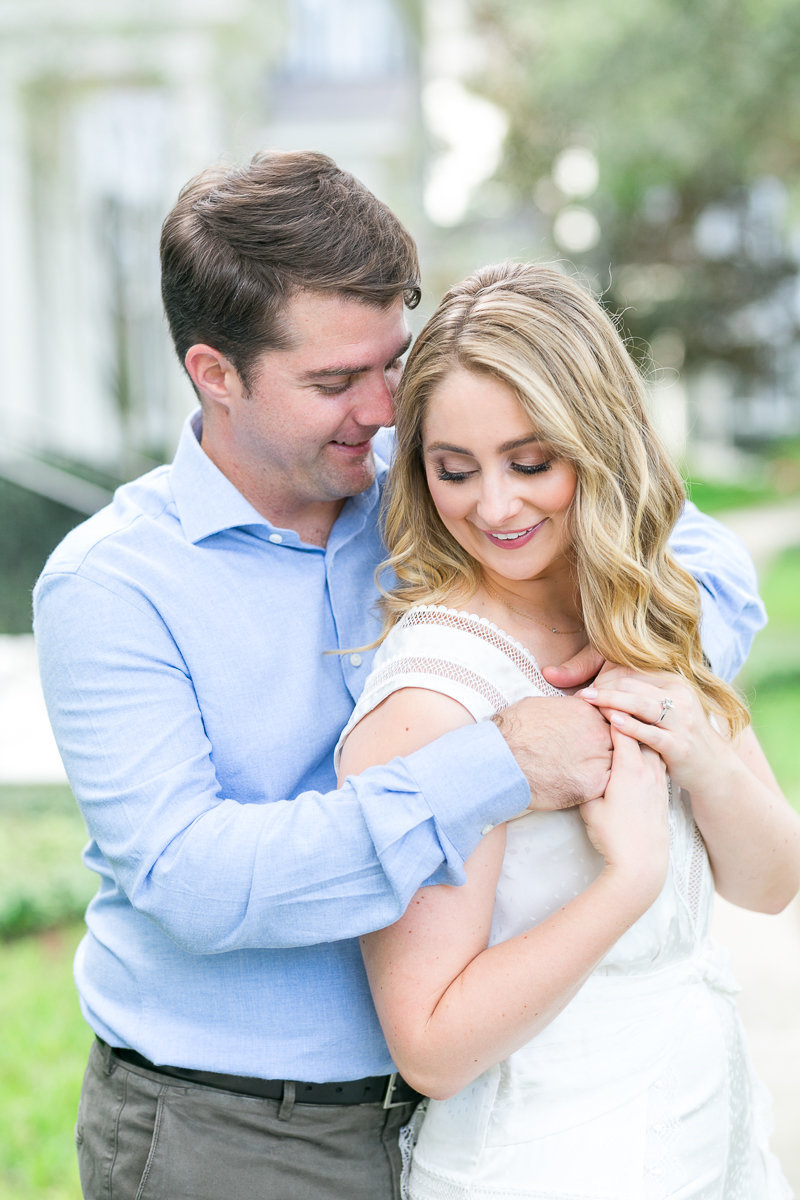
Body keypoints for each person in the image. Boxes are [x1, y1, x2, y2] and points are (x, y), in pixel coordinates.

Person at [34, 152, 765, 1200]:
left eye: (392, 362)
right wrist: (495, 766)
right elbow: (194, 879)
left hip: (472, 1106)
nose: (382, 410)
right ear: (215, 373)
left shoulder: (443, 491)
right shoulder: (111, 588)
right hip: (235, 1133)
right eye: (333, 382)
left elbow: (695, 558)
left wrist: (629, 692)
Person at [336, 262, 800, 1200]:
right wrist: (628, 882)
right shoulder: (435, 697)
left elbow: (771, 880)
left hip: (708, 1134)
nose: (495, 507)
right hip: (546, 1163)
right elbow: (429, 1043)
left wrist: (698, 745)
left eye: (532, 462)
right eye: (453, 470)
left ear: (602, 440)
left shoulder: (649, 608)